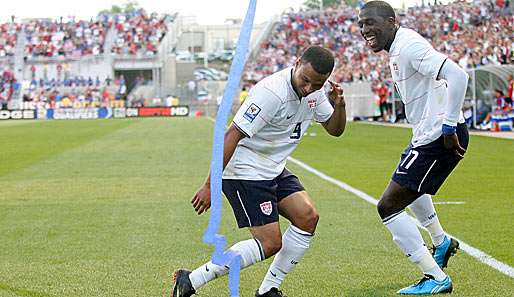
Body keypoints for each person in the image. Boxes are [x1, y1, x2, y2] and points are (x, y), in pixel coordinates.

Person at [172, 46, 347, 297]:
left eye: (317, 84)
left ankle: (268, 290)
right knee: (270, 242)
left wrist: (339, 104)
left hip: (272, 167)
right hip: (245, 169)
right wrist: (211, 185)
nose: (309, 88)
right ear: (296, 63)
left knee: (307, 218)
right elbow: (231, 135)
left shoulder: (317, 92)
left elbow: (335, 129)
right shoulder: (271, 92)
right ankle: (191, 280)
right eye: (305, 80)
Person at [358, 1, 469, 295]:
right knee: (410, 186)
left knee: (388, 206)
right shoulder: (396, 48)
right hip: (425, 135)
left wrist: (448, 127)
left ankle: (435, 278)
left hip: (439, 137)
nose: (365, 30)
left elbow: (459, 75)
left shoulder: (408, 46)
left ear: (392, 21)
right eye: (361, 25)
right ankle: (441, 241)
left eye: (371, 23)